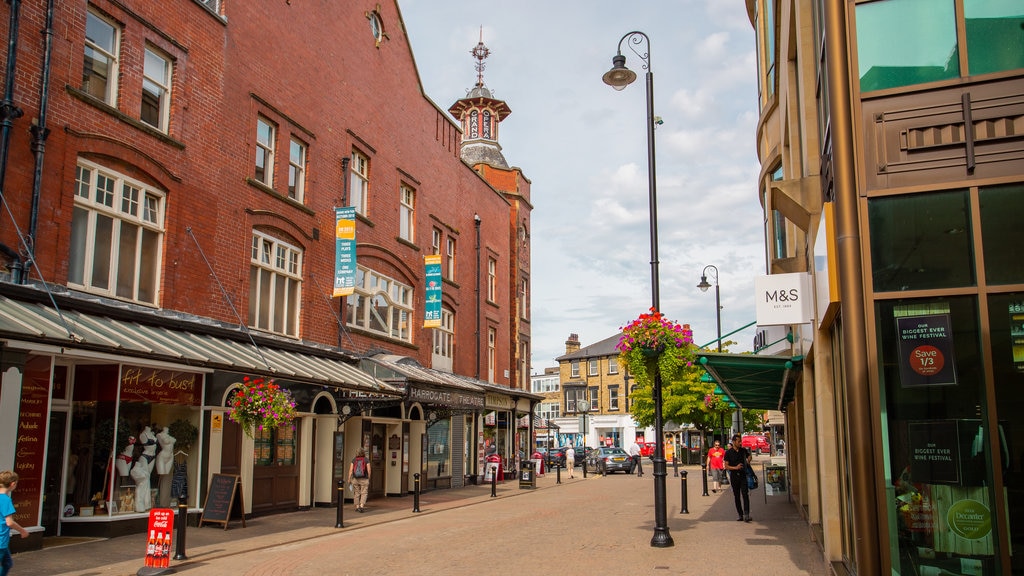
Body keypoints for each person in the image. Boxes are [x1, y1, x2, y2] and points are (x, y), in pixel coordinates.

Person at [1, 470, 29, 576]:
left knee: (7, 563)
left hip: (3, 541)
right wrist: (22, 531)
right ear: (12, 484)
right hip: (1, 539)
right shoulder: (5, 500)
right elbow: (9, 522)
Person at [724, 434, 752, 522]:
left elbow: (749, 456)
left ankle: (746, 514)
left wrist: (748, 460)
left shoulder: (743, 450)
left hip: (743, 475)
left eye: (740, 441)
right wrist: (735, 467)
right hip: (734, 476)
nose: (740, 443)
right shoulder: (728, 453)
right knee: (736, 496)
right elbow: (726, 466)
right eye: (738, 441)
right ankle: (740, 514)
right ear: (733, 442)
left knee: (745, 494)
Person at [348, 448, 371, 513]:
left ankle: (357, 506)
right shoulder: (366, 460)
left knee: (356, 492)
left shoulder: (354, 460)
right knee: (364, 492)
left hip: (355, 479)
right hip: (364, 479)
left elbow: (350, 470)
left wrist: (349, 478)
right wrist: (368, 477)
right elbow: (369, 470)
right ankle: (361, 506)